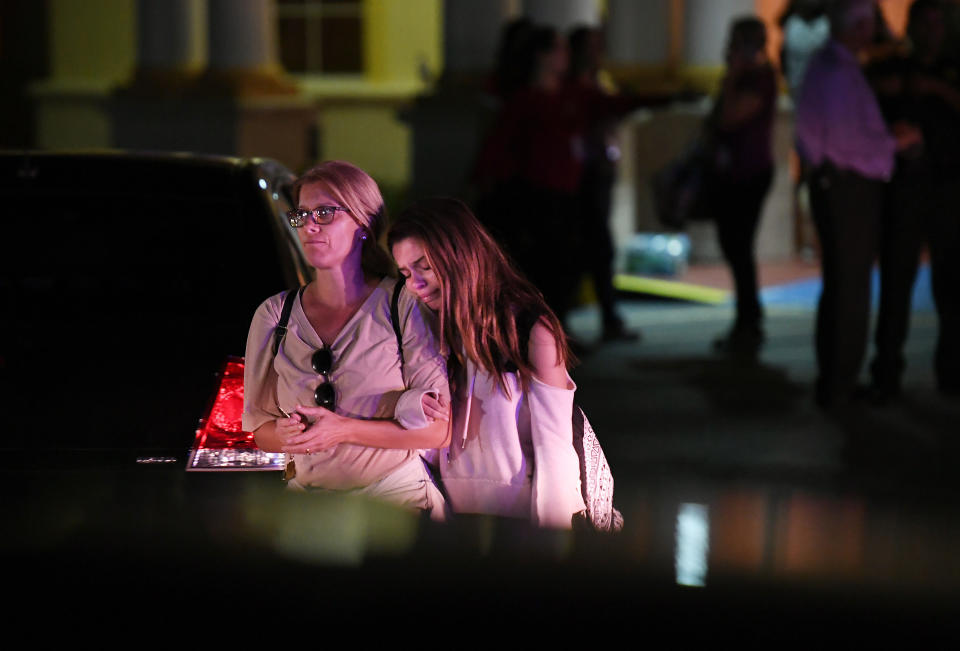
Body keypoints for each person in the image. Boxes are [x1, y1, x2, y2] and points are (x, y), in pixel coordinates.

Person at [242, 160, 451, 518]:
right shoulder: (274, 315)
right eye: (301, 214)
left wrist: (344, 431)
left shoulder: (401, 304)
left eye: (324, 213)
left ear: (363, 222)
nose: (308, 225)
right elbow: (260, 430)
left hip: (394, 503)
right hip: (308, 507)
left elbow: (437, 432)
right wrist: (289, 435)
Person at [388, 197, 586, 530]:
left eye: (424, 265)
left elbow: (555, 447)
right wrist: (413, 404)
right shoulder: (422, 329)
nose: (414, 283)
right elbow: (417, 441)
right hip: (447, 520)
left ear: (460, 255)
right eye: (406, 273)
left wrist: (551, 545)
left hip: (520, 524)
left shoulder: (528, 328)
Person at [794, 0, 923, 408]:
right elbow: (846, 143)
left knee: (840, 286)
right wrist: (894, 143)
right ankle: (840, 384)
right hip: (849, 189)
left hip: (838, 185)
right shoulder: (837, 70)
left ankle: (836, 380)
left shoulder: (832, 66)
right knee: (849, 290)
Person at [867, 0, 960, 401]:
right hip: (904, 187)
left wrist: (937, 89)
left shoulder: (953, 69)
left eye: (939, 23)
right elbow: (867, 107)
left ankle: (952, 371)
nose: (932, 31)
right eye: (925, 22)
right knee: (896, 281)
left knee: (951, 285)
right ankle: (887, 373)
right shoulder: (891, 67)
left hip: (948, 187)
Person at [706, 17, 778, 355]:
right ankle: (747, 318)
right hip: (733, 174)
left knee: (739, 248)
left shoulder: (759, 78)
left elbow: (728, 118)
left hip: (749, 174)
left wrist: (732, 76)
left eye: (737, 42)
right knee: (735, 247)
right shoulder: (748, 77)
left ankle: (749, 322)